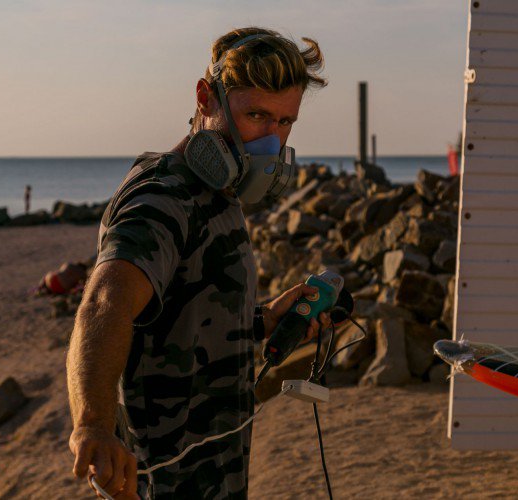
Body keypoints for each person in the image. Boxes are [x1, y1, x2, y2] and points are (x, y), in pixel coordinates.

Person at [67, 27, 329, 499]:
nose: (271, 139)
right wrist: (94, 425)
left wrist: (260, 321)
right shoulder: (162, 196)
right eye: (256, 116)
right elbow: (105, 304)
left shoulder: (217, 192)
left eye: (285, 121)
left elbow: (179, 311)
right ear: (206, 98)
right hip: (163, 481)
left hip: (217, 476)